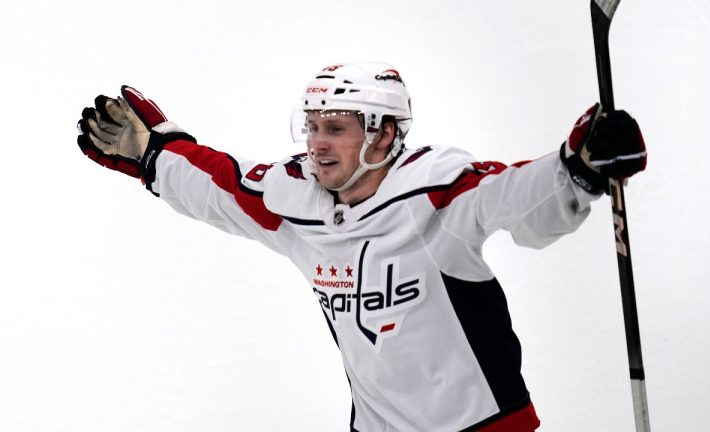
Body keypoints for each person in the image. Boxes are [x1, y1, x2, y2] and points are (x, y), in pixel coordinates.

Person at [76, 62, 646, 432]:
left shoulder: (437, 199)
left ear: (385, 134)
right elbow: (223, 185)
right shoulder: (299, 208)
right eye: (313, 125)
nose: (317, 144)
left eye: (337, 128)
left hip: (483, 425)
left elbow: (514, 196)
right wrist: (154, 154)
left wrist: (577, 169)